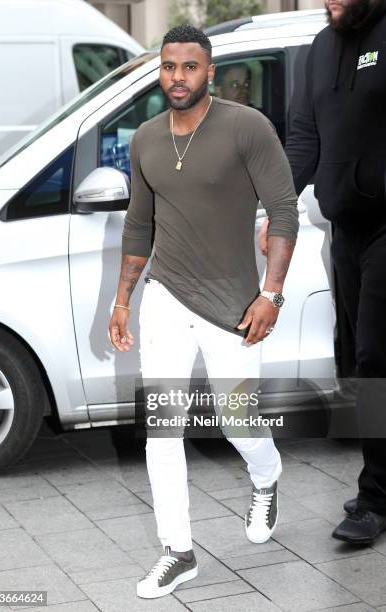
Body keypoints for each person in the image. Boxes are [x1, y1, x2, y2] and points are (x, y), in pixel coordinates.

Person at [109, 25, 299, 598]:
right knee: (161, 429)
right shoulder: (145, 138)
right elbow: (139, 226)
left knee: (237, 418)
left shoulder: (246, 127)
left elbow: (283, 212)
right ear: (159, 70)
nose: (178, 78)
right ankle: (178, 551)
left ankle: (266, 476)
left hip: (234, 303)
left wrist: (272, 293)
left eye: (190, 67)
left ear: (209, 71)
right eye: (169, 67)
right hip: (166, 295)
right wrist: (122, 301)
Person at [260, 0, 386, 544]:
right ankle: (381, 483)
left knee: (374, 356)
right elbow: (304, 143)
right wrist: (277, 211)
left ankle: (376, 498)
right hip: (346, 231)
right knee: (355, 362)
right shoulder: (319, 50)